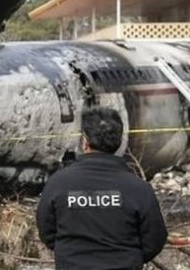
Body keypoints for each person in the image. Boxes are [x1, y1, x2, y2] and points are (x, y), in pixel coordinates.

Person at [36, 107, 167, 269]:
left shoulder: (58, 183)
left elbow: (47, 232)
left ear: (85, 141)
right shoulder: (139, 189)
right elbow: (154, 240)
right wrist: (131, 259)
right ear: (119, 141)